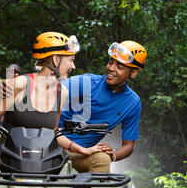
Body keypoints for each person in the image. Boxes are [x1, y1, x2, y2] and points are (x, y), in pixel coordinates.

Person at [0, 31, 102, 169]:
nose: (73, 67)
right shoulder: (21, 84)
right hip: (7, 161)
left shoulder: (63, 93)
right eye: (71, 60)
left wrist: (81, 149)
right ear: (56, 59)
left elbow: (53, 134)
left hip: (42, 163)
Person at [57, 40, 147, 173]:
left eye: (120, 66)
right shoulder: (86, 83)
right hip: (53, 144)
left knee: (103, 159)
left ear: (133, 73)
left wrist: (113, 155)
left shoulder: (132, 102)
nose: (111, 68)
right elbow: (51, 90)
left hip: (81, 154)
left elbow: (128, 145)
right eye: (111, 62)